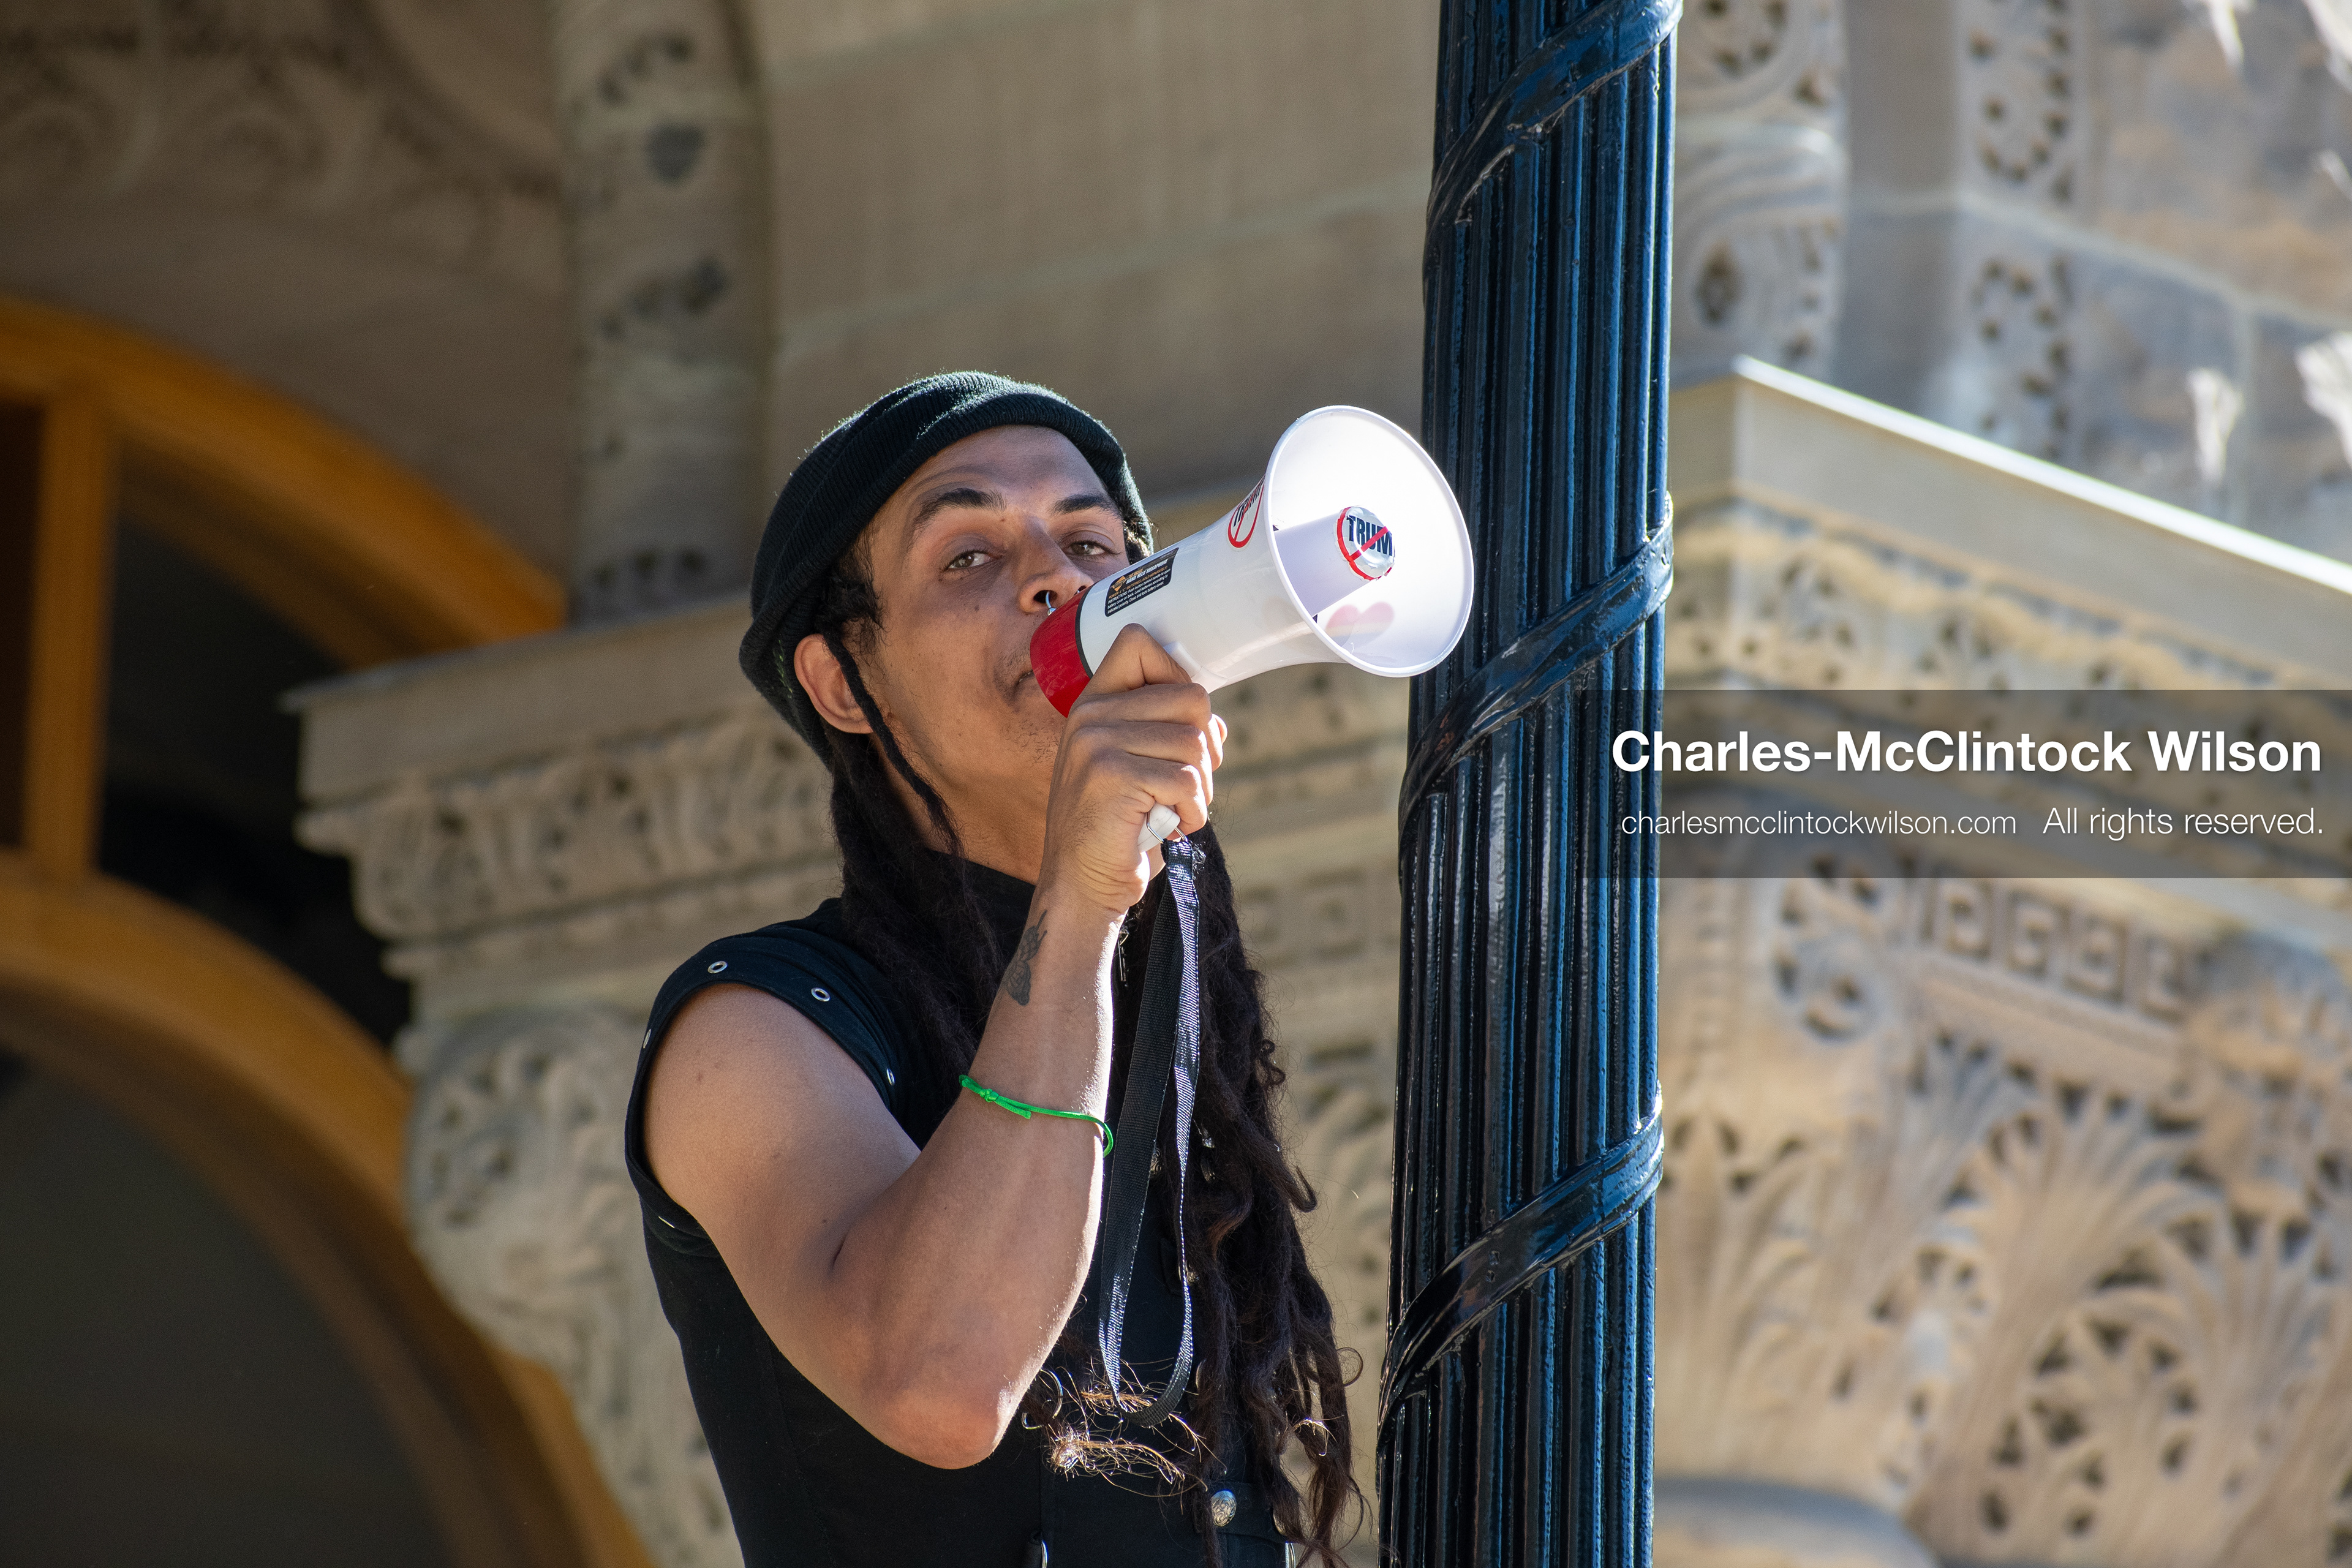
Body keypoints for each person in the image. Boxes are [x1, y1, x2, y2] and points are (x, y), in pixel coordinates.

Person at [622, 373, 1359, 1567]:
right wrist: (1079, 902)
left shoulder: (1157, 1016)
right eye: (967, 553)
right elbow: (942, 1383)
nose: (1054, 578)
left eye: (1088, 542)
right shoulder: (750, 1027)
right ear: (842, 681)